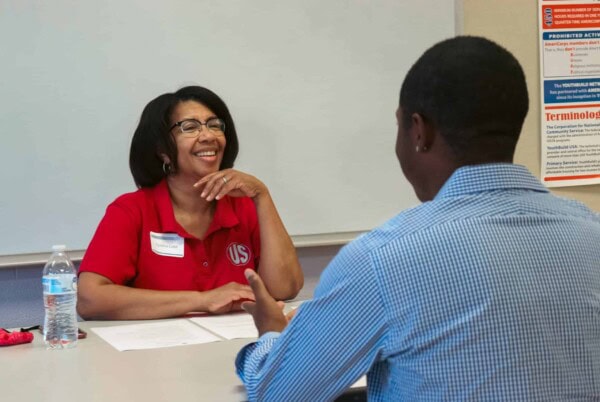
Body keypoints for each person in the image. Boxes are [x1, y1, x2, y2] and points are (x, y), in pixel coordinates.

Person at [236, 36, 600, 401]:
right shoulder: (592, 232)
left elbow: (277, 394)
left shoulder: (381, 259)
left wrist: (272, 337)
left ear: (419, 131)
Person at [77, 86, 303, 320]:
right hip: (156, 351)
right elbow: (89, 299)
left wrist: (261, 196)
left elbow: (284, 289)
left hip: (236, 345)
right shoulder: (132, 210)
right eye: (190, 127)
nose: (209, 136)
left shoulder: (243, 205)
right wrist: (203, 300)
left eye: (215, 125)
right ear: (163, 151)